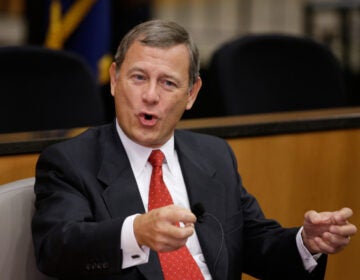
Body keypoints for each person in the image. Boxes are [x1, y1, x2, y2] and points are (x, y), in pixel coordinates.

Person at [32, 19, 357, 280]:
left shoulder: (214, 155)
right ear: (115, 80)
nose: (150, 95)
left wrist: (306, 243)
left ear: (192, 94)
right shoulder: (71, 162)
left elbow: (255, 242)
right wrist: (137, 232)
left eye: (168, 83)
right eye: (138, 77)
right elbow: (57, 247)